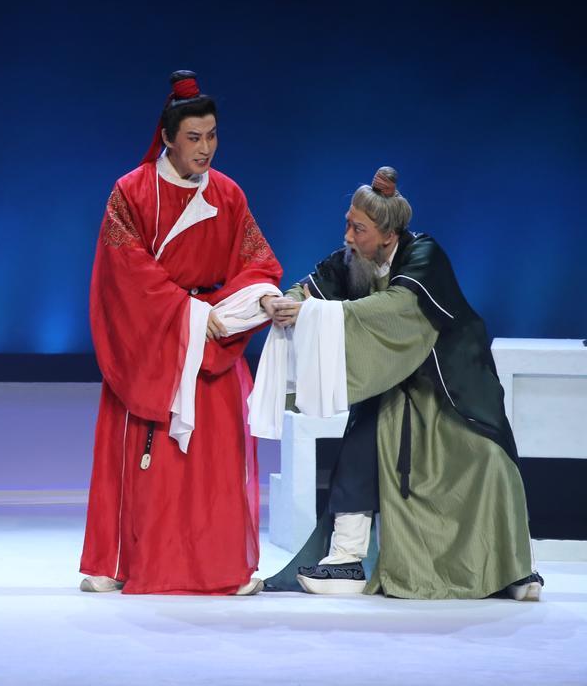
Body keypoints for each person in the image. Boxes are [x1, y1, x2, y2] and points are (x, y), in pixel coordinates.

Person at [262, 167, 541, 600]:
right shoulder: (351, 262)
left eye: (359, 229)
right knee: (364, 433)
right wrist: (287, 303)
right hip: (390, 383)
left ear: (389, 235)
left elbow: (396, 309)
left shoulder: (425, 255)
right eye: (348, 224)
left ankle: (511, 568)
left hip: (449, 384)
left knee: (491, 457)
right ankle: (345, 558)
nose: (348, 237)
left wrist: (320, 314)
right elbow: (308, 289)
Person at [79, 71, 283, 595]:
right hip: (157, 341)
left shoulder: (228, 194)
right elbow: (124, 273)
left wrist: (260, 297)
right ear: (168, 137)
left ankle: (220, 566)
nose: (205, 148)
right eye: (193, 137)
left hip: (214, 340)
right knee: (147, 460)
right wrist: (187, 313)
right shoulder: (132, 191)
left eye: (212, 135)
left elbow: (256, 261)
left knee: (215, 463)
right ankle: (120, 562)